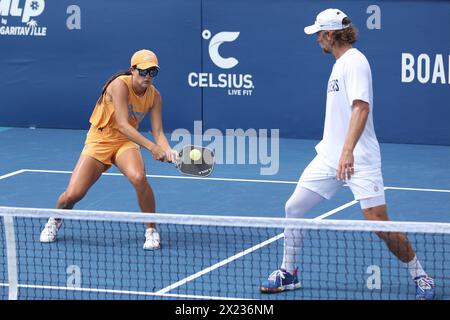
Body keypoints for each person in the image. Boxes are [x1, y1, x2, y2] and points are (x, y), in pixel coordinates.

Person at [260, 9, 435, 300]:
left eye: (319, 34)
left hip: (358, 157)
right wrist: (339, 152)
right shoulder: (340, 64)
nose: (317, 39)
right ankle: (289, 272)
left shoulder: (355, 62)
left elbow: (361, 107)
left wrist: (348, 151)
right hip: (329, 156)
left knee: (378, 222)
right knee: (294, 208)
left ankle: (421, 275)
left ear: (330, 34)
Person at [40, 49, 174, 250]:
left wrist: (167, 149)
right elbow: (122, 123)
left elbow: (158, 132)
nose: (148, 76)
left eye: (153, 72)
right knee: (73, 195)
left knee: (139, 177)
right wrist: (152, 148)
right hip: (100, 140)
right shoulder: (119, 85)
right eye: (144, 71)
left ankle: (151, 230)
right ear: (133, 70)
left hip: (125, 142)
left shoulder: (155, 96)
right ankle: (55, 219)